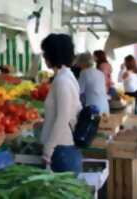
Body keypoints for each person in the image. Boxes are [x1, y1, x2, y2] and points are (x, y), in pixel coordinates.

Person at [39, 34, 82, 174]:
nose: (44, 57)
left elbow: (63, 117)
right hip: (64, 148)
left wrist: (48, 149)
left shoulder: (62, 81)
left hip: (61, 150)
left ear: (52, 54)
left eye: (45, 53)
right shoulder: (66, 76)